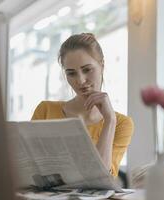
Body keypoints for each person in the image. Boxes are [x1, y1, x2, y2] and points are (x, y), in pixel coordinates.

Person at [31, 33, 134, 177]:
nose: (80, 80)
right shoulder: (45, 111)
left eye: (87, 70)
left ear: (102, 65)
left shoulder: (121, 124)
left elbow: (102, 179)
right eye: (71, 73)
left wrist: (109, 120)